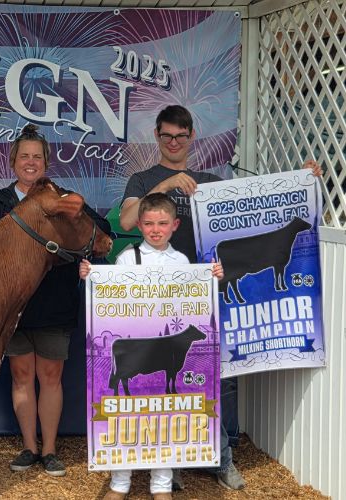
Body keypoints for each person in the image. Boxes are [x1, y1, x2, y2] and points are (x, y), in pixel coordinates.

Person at [118, 104, 322, 491]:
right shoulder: (142, 179)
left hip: (210, 290)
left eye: (180, 135)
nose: (174, 142)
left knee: (221, 377)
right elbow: (129, 220)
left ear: (192, 136)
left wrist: (304, 181)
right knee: (169, 377)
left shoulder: (213, 180)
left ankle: (220, 458)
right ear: (157, 137)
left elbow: (263, 210)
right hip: (160, 298)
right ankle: (171, 464)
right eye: (166, 135)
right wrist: (169, 183)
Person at [0, 124, 111, 477]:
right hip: (15, 309)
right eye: (25, 156)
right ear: (13, 162)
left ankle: (50, 450)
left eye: (37, 157)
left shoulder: (65, 199)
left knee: (50, 376)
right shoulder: (0, 203)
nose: (31, 162)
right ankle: (28, 447)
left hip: (55, 303)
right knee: (21, 375)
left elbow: (101, 235)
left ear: (46, 163)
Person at [81, 193, 223, 500]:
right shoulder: (127, 258)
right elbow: (109, 295)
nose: (155, 229)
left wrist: (211, 279)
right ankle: (120, 482)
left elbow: (191, 305)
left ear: (175, 225)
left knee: (165, 415)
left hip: (161, 342)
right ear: (139, 225)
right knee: (128, 416)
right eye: (148, 224)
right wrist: (92, 278)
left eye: (162, 223)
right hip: (137, 340)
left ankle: (161, 484)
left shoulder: (183, 262)